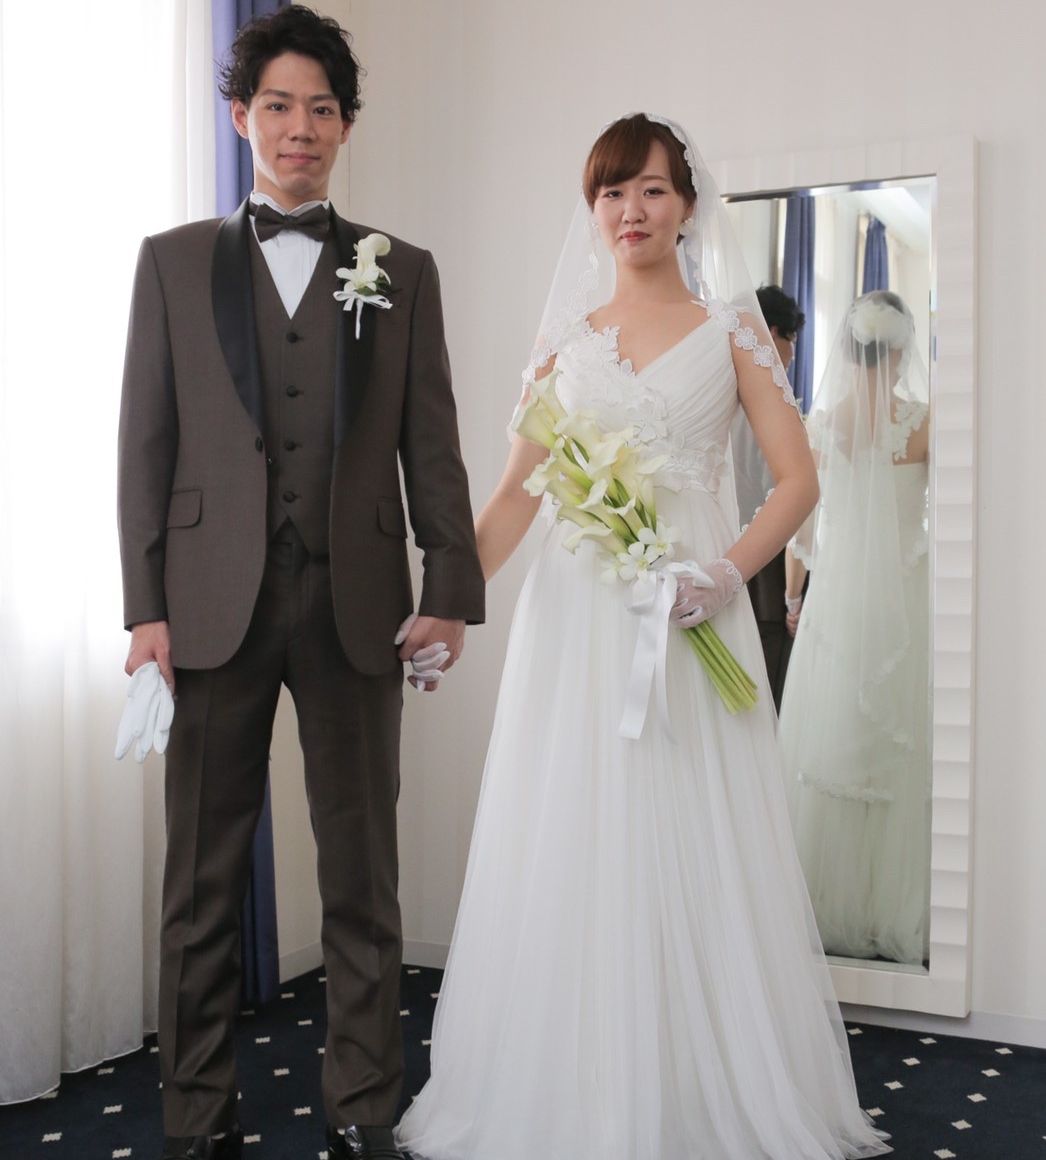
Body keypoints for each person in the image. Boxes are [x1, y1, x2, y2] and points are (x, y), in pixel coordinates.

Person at [397, 115, 890, 1160]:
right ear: (592, 210)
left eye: (653, 190)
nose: (631, 210)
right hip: (576, 625)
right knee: (574, 830)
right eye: (612, 192)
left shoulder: (732, 332)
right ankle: (572, 1087)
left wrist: (725, 573)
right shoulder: (564, 345)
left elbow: (797, 481)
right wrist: (447, 601)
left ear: (687, 206)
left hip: (688, 607)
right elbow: (516, 496)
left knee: (694, 829)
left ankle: (698, 1083)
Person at [117, 7, 484, 1159]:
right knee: (200, 882)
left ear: (345, 126)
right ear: (240, 117)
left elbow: (433, 444)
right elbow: (144, 443)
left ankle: (363, 1107)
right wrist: (143, 607)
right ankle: (196, 1116)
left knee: (362, 876)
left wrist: (449, 584)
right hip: (206, 605)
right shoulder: (171, 262)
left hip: (355, 604)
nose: (300, 128)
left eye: (321, 109)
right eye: (277, 105)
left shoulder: (401, 270)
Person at [780, 291, 931, 966]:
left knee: (832, 738)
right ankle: (890, 907)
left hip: (838, 598)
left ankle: (823, 902)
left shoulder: (821, 425)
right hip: (906, 594)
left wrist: (794, 598)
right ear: (900, 352)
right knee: (900, 743)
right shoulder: (924, 423)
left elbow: (801, 530)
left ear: (846, 351)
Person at [738, 285, 806, 709]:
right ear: (775, 332)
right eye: (793, 341)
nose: (794, 354)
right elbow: (783, 484)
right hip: (766, 553)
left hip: (722, 540)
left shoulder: (720, 382)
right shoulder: (773, 397)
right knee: (766, 673)